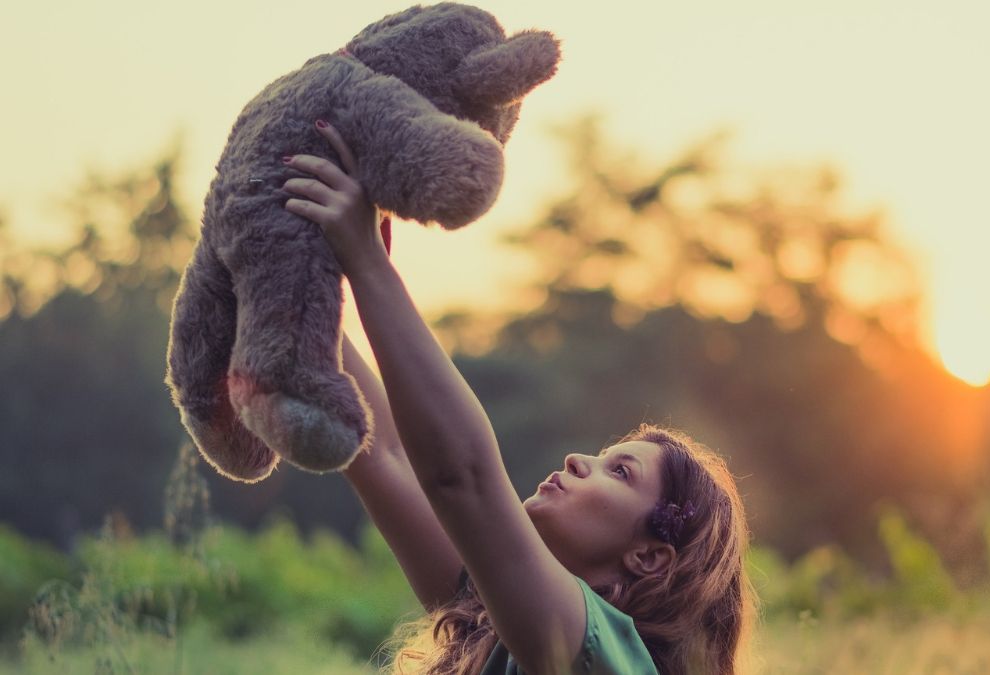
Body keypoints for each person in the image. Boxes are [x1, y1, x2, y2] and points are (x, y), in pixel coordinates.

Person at [280, 119, 758, 674]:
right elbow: (384, 449)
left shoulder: (607, 659)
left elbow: (461, 477)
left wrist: (367, 262)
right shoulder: (492, 619)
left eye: (620, 472)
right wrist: (291, 286)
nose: (579, 461)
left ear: (649, 557)